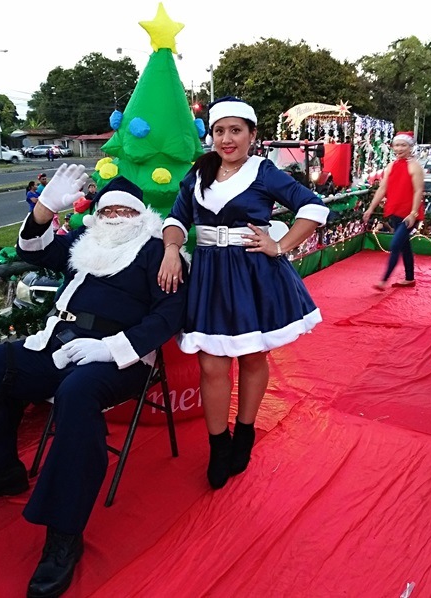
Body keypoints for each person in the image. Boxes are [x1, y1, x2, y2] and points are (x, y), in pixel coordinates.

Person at [0, 169, 187, 598]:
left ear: (140, 215)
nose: (115, 216)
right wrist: (43, 209)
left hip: (120, 357)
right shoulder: (84, 243)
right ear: (97, 215)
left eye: (124, 210)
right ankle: (2, 470)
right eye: (107, 209)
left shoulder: (155, 253)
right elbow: (34, 248)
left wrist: (111, 348)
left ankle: (64, 532)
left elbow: (169, 315)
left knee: (76, 394)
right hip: (55, 344)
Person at [158, 96, 329, 490]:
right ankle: (219, 444)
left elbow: (313, 208)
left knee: (252, 357)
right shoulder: (198, 173)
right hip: (210, 277)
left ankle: (245, 431)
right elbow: (176, 219)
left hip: (253, 274)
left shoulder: (263, 171)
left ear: (252, 134)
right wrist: (170, 249)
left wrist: (280, 246)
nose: (227, 138)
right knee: (211, 365)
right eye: (219, 130)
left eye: (236, 130)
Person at [362, 131, 425, 289]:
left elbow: (418, 191)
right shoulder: (391, 166)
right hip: (395, 210)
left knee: (396, 245)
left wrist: (413, 213)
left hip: (409, 214)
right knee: (404, 245)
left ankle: (384, 280)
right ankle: (410, 278)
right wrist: (370, 208)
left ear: (410, 147)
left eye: (403, 145)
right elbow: (382, 188)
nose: (399, 148)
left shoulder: (415, 167)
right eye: (396, 145)